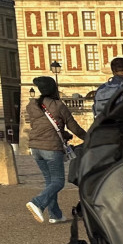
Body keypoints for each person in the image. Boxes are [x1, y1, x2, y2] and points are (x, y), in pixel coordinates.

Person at [24, 76, 87, 225]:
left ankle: (55, 215)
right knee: (58, 182)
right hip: (51, 148)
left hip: (35, 148)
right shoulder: (58, 105)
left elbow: (43, 126)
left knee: (49, 182)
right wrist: (90, 138)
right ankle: (37, 202)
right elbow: (74, 127)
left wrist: (63, 134)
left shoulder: (32, 105)